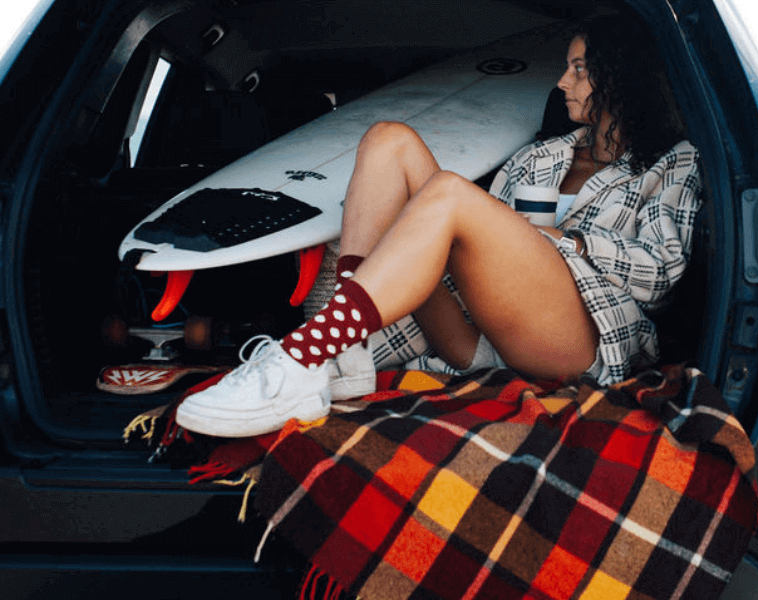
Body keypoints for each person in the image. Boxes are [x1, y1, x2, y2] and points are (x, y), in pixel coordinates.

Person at [175, 13, 703, 438]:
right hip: (478, 330)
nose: (563, 80)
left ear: (621, 77)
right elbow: (467, 252)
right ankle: (347, 349)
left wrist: (562, 240)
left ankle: (306, 352)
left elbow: (660, 275)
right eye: (566, 67)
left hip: (577, 341)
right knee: (389, 139)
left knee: (450, 194)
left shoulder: (669, 162)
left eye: (579, 69)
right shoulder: (540, 156)